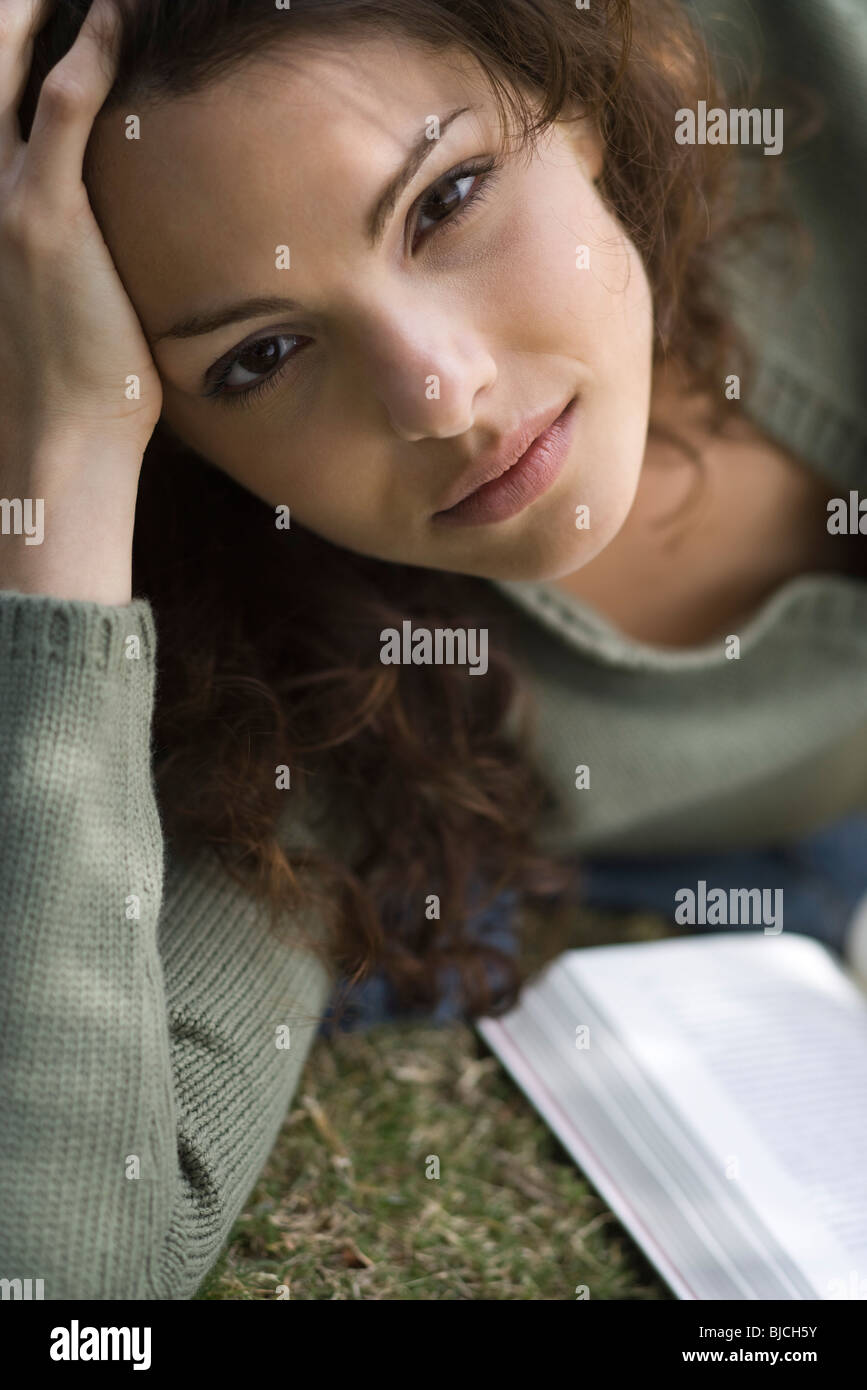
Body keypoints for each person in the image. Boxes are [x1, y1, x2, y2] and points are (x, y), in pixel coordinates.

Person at [0, 0, 864, 1299]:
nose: (436, 392)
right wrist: (62, 447)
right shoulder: (324, 704)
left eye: (445, 199)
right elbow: (67, 1267)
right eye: (261, 356)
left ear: (580, 80)